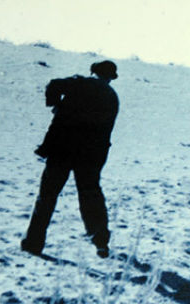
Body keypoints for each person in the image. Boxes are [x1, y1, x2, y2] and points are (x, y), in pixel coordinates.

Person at [21, 60, 119, 258]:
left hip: (62, 149)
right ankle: (101, 241)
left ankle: (33, 243)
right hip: (90, 156)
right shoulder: (111, 96)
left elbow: (53, 85)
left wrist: (56, 105)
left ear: (93, 72)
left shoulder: (79, 83)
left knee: (47, 196)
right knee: (91, 197)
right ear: (109, 77)